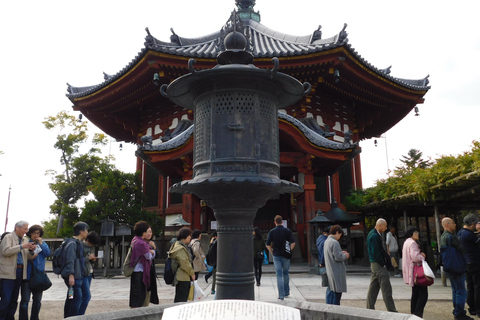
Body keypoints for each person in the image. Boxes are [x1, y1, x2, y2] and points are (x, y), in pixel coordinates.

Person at [0, 221, 36, 320]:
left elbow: (27, 257)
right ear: (17, 228)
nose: (26, 231)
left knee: (14, 299)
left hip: (20, 271)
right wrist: (21, 246)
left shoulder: (25, 239)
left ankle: (10, 317)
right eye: (25, 229)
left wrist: (31, 251)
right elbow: (5, 251)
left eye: (27, 229)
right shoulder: (8, 237)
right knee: (6, 298)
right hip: (8, 272)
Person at [442, 217, 474, 320]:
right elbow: (461, 249)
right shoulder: (451, 237)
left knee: (455, 290)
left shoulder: (443, 236)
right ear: (447, 224)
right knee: (461, 290)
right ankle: (459, 312)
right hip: (457, 266)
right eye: (452, 223)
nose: (455, 225)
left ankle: (457, 311)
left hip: (448, 266)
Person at [19, 225, 51, 320]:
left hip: (38, 275)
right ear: (30, 233)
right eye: (34, 233)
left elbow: (47, 254)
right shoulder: (25, 243)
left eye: (38, 233)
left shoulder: (43, 244)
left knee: (37, 301)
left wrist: (41, 243)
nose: (36, 235)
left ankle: (35, 318)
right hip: (27, 276)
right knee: (25, 301)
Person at [366, 218, 397, 312]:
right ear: (380, 225)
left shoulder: (371, 234)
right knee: (386, 287)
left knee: (374, 287)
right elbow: (377, 252)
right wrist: (383, 264)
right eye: (385, 225)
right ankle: (391, 309)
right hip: (378, 264)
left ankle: (369, 307)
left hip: (373, 264)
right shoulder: (375, 236)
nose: (386, 227)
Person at [62, 221, 89, 318]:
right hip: (73, 276)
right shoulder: (72, 244)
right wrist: (71, 275)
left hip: (77, 275)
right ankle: (72, 317)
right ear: (81, 231)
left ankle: (67, 317)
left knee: (71, 297)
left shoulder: (78, 243)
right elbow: (70, 260)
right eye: (86, 230)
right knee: (77, 297)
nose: (87, 232)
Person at [266, 215, 295, 301]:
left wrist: (272, 251)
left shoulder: (272, 232)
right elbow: (293, 242)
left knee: (279, 275)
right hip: (286, 255)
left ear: (275, 222)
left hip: (276, 254)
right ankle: (286, 291)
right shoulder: (287, 231)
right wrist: (289, 249)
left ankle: (281, 295)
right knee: (285, 273)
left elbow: (267, 244)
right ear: (282, 222)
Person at [128, 221, 156, 308]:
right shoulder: (140, 243)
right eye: (147, 231)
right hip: (139, 272)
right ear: (143, 232)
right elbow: (148, 256)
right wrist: (153, 251)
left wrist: (151, 251)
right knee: (138, 296)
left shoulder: (135, 240)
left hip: (139, 272)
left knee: (138, 295)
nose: (148, 233)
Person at [402, 227, 428, 318]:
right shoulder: (413, 243)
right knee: (423, 294)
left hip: (411, 271)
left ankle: (413, 313)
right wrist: (422, 256)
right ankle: (418, 313)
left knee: (415, 293)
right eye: (415, 232)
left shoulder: (406, 242)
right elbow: (415, 257)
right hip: (416, 271)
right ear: (411, 234)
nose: (417, 234)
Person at [458, 213, 480, 317]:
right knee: (477, 286)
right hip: (474, 261)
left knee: (470, 286)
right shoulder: (469, 234)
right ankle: (478, 308)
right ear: (472, 224)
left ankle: (472, 307)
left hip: (465, 261)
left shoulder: (460, 233)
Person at [324, 225, 349, 305]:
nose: (339, 237)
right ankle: (335, 310)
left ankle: (329, 308)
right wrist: (345, 256)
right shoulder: (335, 242)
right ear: (337, 232)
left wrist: (341, 253)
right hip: (336, 270)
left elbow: (333, 254)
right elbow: (337, 257)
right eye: (340, 235)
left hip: (330, 269)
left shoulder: (327, 241)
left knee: (331, 291)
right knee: (337, 292)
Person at [170, 227, 195, 302]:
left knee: (181, 298)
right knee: (181, 299)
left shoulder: (178, 245)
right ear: (185, 236)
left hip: (182, 276)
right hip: (182, 276)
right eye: (189, 235)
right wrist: (192, 273)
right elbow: (184, 263)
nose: (190, 237)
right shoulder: (180, 248)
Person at [78, 231, 100, 315]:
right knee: (86, 296)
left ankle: (80, 314)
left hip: (89, 273)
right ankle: (80, 315)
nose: (92, 245)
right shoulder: (81, 246)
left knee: (84, 296)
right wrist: (88, 258)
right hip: (83, 274)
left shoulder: (88, 247)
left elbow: (86, 262)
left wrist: (92, 260)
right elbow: (79, 261)